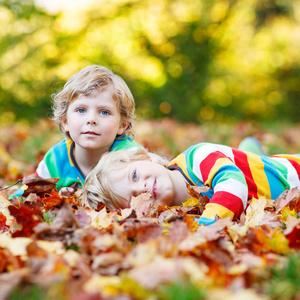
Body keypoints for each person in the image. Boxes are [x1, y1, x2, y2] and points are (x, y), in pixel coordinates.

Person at [84, 142, 300, 225]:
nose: (141, 188)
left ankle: (252, 150)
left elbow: (234, 185)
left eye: (134, 176)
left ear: (145, 157)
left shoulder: (198, 157)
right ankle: (251, 150)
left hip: (293, 174)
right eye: (132, 198)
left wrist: (206, 226)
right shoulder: (172, 215)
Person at [13, 65, 142, 197]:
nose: (91, 120)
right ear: (65, 121)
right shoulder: (56, 159)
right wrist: (58, 200)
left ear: (122, 124)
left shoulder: (134, 158)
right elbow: (21, 198)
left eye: (104, 112)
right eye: (81, 110)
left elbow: (160, 186)